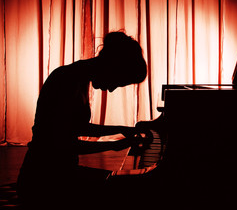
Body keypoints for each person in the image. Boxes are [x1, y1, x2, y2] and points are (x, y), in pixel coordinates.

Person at [17, 31, 150, 207]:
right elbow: (61, 145)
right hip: (43, 180)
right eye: (117, 82)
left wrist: (121, 129)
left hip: (60, 172)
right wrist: (114, 145)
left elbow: (77, 127)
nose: (110, 89)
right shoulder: (66, 81)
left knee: (122, 188)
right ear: (113, 66)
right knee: (124, 194)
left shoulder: (77, 77)